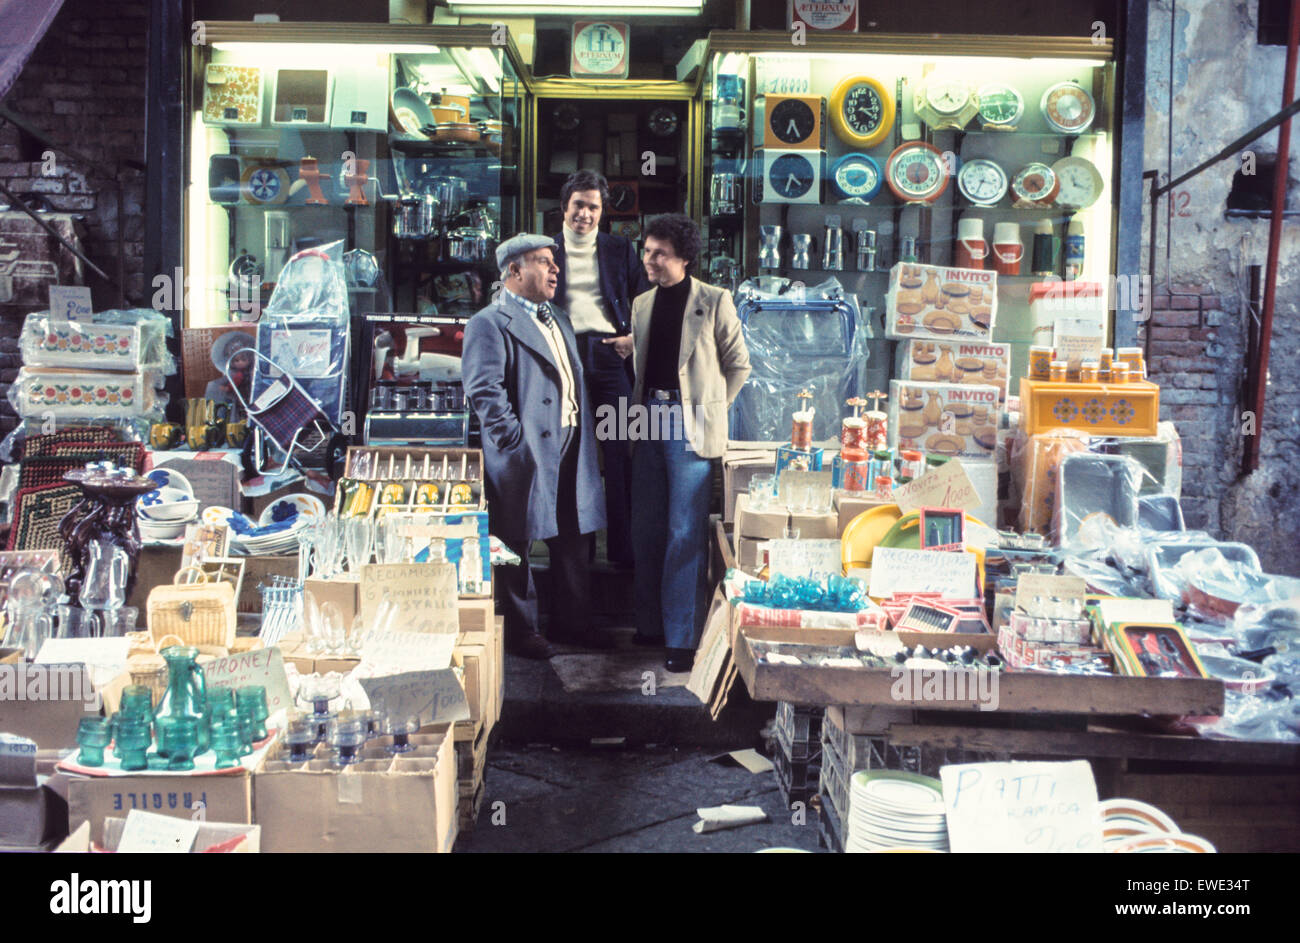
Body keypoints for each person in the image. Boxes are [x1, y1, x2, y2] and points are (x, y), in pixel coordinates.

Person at [462, 233, 610, 660]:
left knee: (574, 534)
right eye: (543, 262)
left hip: (569, 443)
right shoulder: (489, 322)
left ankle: (572, 623)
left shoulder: (558, 317)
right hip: (526, 450)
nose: (554, 269)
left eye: (553, 262)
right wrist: (513, 442)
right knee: (516, 541)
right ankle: (520, 632)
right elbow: (483, 390)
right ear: (514, 270)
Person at [629, 214, 751, 673]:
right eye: (646, 251)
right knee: (647, 528)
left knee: (684, 533)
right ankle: (650, 626)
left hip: (690, 425)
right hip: (645, 419)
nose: (649, 259)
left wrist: (711, 409)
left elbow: (739, 366)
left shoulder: (715, 300)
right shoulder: (641, 304)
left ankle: (681, 639)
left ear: (683, 257)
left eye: (659, 253)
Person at [550, 170, 649, 568]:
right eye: (579, 206)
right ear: (564, 207)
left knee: (621, 452)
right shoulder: (546, 250)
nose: (585, 215)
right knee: (571, 455)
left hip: (611, 357)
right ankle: (576, 559)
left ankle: (623, 556)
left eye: (593, 207)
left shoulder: (619, 249)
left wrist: (633, 340)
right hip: (565, 357)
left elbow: (646, 300)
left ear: (602, 210)